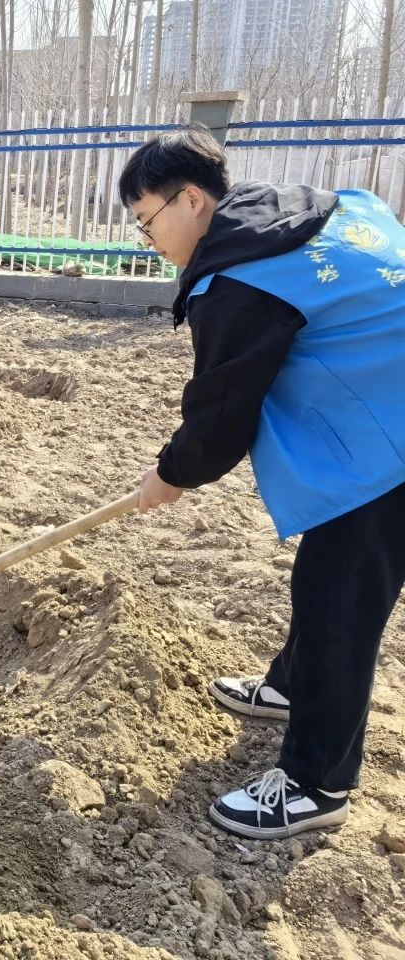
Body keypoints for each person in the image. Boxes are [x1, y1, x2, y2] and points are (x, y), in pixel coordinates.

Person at [120, 124, 405, 840]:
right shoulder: (284, 211)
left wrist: (170, 474)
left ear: (192, 199)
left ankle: (317, 783)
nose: (146, 240)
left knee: (340, 598)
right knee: (326, 574)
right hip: (380, 402)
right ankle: (290, 689)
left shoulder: (240, 282)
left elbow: (222, 417)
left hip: (392, 440)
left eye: (147, 220)